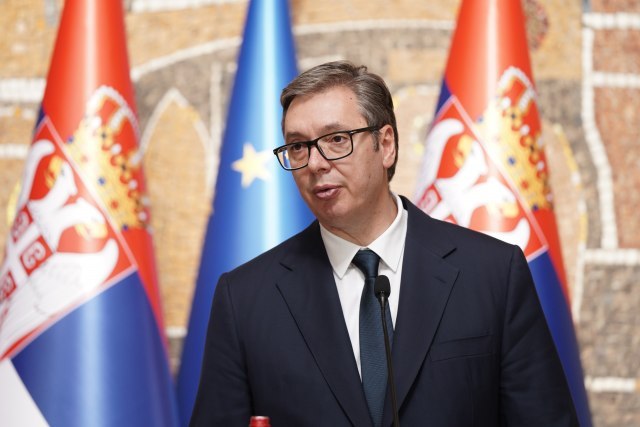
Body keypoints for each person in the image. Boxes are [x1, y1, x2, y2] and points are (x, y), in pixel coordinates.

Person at [190, 61, 578, 426]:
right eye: (298, 147)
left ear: (386, 144)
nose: (315, 163)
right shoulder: (244, 298)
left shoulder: (493, 274)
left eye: (337, 139)